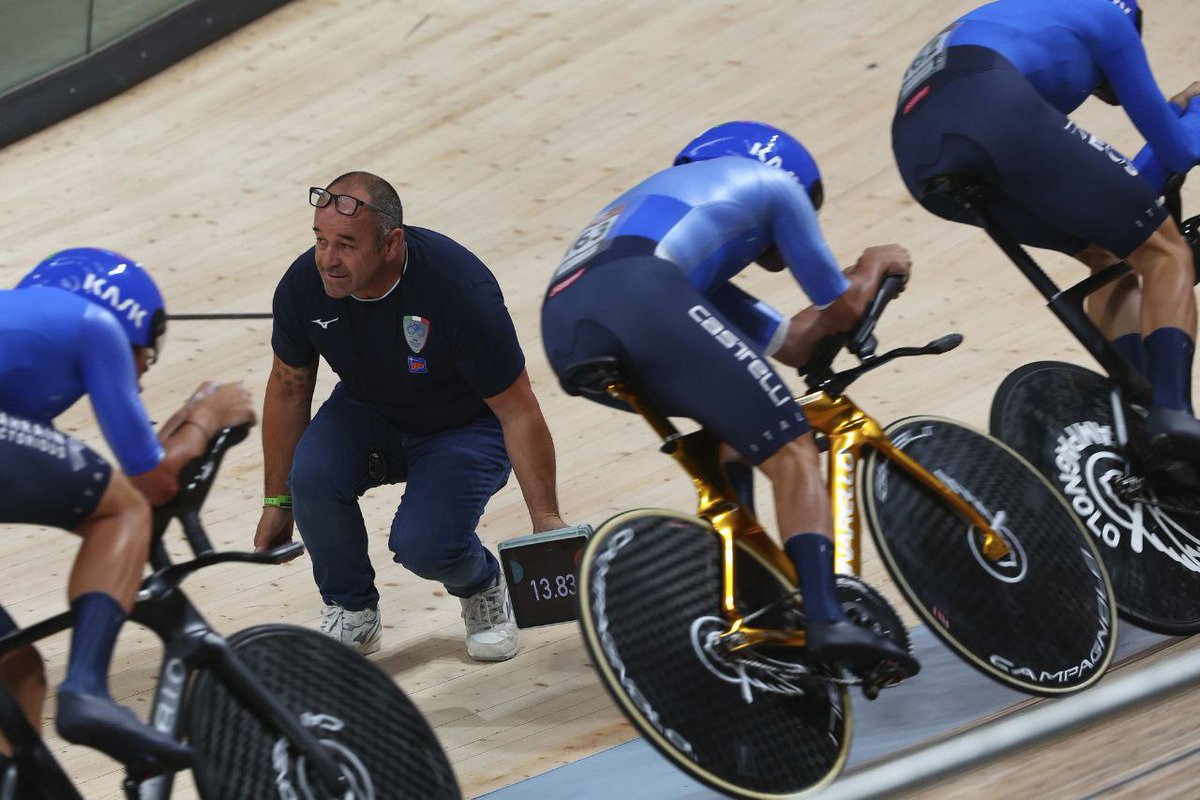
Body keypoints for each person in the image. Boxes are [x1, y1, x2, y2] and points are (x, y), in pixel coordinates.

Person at [540, 121, 919, 676]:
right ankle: (824, 617)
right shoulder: (772, 186)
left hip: (570, 328)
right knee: (791, 446)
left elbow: (790, 345)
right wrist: (872, 264)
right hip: (643, 295)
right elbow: (840, 310)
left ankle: (748, 604)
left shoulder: (674, 219)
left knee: (735, 434)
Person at [253, 171, 567, 662]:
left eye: (346, 245)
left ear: (391, 243)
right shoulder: (303, 286)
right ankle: (351, 609)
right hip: (369, 410)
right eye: (320, 240)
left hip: (465, 427)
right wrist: (277, 499)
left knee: (425, 545)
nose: (327, 259)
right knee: (309, 476)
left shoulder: (458, 288)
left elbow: (520, 409)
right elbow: (289, 388)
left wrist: (546, 522)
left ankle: (483, 585)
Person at [892, 0, 1200, 466]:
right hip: (986, 101)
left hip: (917, 151)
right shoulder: (1111, 19)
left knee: (1109, 256)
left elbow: (1106, 197)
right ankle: (1173, 415)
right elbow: (1177, 155)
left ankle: (1143, 410)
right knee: (1166, 253)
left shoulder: (1025, 21)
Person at [0, 247, 255, 772]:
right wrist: (206, 415)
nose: (139, 379)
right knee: (122, 514)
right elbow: (151, 484)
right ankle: (88, 689)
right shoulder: (97, 325)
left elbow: (90, 476)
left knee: (15, 668)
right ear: (133, 320)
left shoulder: (20, 354)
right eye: (149, 356)